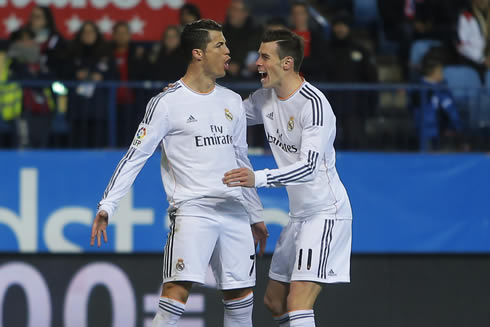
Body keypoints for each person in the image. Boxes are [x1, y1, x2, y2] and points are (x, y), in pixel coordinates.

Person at [89, 19, 268, 327]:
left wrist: (255, 213)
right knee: (175, 295)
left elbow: (242, 162)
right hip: (193, 211)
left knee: (240, 300)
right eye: (220, 45)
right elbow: (135, 156)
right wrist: (107, 205)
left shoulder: (231, 102)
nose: (228, 51)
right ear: (198, 53)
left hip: (235, 212)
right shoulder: (167, 103)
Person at [222, 29, 352, 327]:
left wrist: (258, 178)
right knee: (275, 301)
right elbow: (227, 116)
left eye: (265, 56)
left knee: (297, 303)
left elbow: (307, 168)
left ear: (287, 63)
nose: (257, 63)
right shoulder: (264, 98)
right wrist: (188, 97)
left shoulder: (314, 106)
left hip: (325, 213)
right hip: (298, 216)